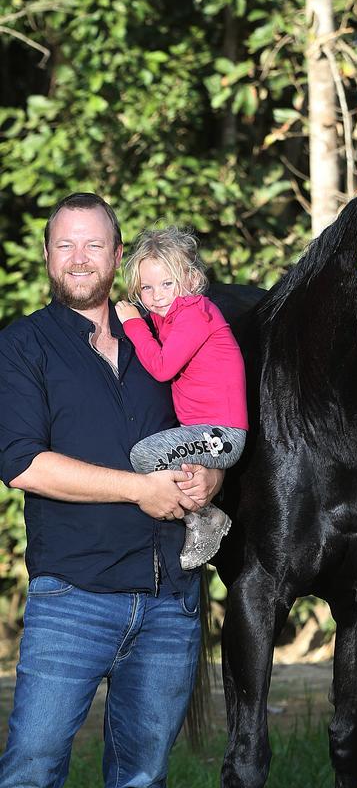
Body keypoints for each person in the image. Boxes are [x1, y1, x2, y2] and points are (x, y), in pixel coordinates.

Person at [0, 193, 223, 788]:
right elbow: (23, 464)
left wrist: (212, 475)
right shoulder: (23, 346)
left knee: (142, 781)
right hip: (73, 597)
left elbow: (212, 420)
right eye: (65, 245)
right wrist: (139, 491)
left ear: (117, 255)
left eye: (94, 245)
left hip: (168, 602)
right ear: (47, 256)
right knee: (30, 773)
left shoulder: (165, 342)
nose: (79, 258)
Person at [115, 225, 248, 569]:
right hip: (203, 434)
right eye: (146, 287)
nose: (156, 295)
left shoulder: (195, 312)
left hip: (223, 434)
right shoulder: (169, 319)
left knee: (145, 456)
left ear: (190, 281)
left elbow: (160, 367)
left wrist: (132, 323)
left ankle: (205, 516)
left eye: (166, 284)